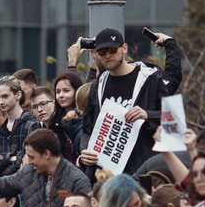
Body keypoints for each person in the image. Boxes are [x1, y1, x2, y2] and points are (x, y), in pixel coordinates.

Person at [78, 28, 183, 179]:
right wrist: (87, 151)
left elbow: (174, 121)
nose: (107, 56)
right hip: (107, 175)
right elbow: (87, 129)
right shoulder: (98, 85)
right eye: (102, 52)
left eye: (112, 50)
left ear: (124, 48)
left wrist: (147, 115)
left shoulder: (149, 79)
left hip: (144, 171)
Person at [0, 76, 38, 175]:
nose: (0, 102)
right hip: (1, 188)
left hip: (24, 187)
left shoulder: (32, 125)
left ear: (17, 95)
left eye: (5, 96)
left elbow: (28, 163)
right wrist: (10, 159)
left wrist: (1, 160)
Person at [50, 72, 85, 162]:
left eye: (66, 91)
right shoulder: (54, 122)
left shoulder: (86, 120)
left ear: (77, 91)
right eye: (57, 92)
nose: (61, 95)